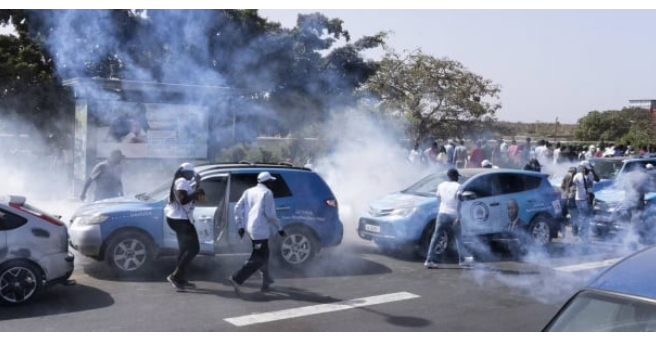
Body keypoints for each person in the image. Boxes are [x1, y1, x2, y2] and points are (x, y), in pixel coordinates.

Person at [228, 171, 287, 296]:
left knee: (264, 255)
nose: (272, 183)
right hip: (260, 230)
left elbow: (237, 207)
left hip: (251, 228)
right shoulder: (267, 193)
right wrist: (280, 228)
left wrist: (240, 225)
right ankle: (237, 278)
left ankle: (267, 283)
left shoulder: (248, 191)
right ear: (267, 182)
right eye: (271, 181)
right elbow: (270, 214)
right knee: (259, 258)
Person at [164, 162, 205, 290]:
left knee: (184, 249)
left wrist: (198, 185)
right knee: (194, 249)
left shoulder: (182, 181)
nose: (192, 176)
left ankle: (180, 278)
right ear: (185, 172)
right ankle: (175, 276)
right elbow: (183, 200)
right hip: (180, 220)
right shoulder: (181, 181)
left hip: (180, 219)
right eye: (191, 173)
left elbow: (197, 197)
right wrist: (196, 192)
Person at [425, 168, 473, 268]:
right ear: (455, 176)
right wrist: (459, 216)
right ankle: (462, 260)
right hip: (453, 215)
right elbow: (459, 202)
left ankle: (429, 260)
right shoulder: (459, 186)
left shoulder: (441, 185)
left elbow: (438, 198)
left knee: (436, 237)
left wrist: (443, 206)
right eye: (457, 176)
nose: (458, 178)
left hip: (442, 213)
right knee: (458, 237)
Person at [571, 161, 600, 241]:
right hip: (580, 200)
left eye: (588, 169)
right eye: (587, 169)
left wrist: (593, 170)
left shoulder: (591, 175)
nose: (587, 170)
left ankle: (584, 234)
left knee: (585, 217)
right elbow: (571, 184)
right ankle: (583, 235)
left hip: (587, 200)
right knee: (585, 217)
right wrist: (574, 173)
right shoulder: (577, 176)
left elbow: (598, 179)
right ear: (583, 168)